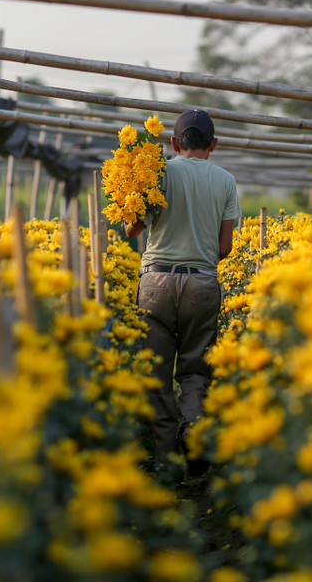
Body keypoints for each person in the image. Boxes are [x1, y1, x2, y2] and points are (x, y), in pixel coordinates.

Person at [126, 108, 241, 482]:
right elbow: (225, 248)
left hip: (156, 282)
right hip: (201, 284)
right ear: (214, 145)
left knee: (157, 373)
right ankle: (193, 429)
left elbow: (132, 229)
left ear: (174, 143)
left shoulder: (158, 173)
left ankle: (166, 463)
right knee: (195, 369)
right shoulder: (226, 182)